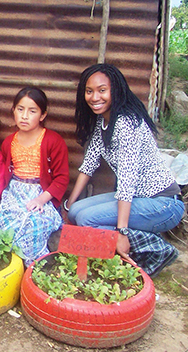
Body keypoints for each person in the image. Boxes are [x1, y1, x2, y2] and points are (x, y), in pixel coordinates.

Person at [66, 63, 182, 277]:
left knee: (87, 220)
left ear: (115, 91)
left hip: (163, 203)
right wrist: (69, 204)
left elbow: (127, 179)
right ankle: (129, 239)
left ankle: (155, 246)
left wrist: (121, 231)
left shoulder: (126, 123)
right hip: (139, 198)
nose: (94, 97)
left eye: (102, 90)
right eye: (89, 91)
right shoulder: (104, 121)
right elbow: (89, 164)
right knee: (75, 213)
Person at [0, 87, 69, 266]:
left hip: (41, 194)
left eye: (32, 111)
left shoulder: (53, 141)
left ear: (42, 115)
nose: (24, 116)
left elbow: (61, 178)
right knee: (5, 221)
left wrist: (42, 200)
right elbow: (5, 176)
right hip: (15, 192)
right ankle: (11, 267)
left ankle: (34, 267)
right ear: (13, 111)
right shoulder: (8, 142)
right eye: (20, 109)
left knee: (34, 222)